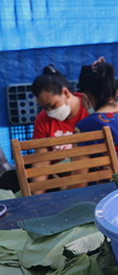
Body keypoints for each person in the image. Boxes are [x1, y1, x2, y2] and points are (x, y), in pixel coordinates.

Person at [29, 65, 92, 194]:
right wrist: (34, 200)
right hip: (58, 183)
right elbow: (41, 163)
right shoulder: (42, 120)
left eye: (52, 105)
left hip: (91, 179)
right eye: (44, 108)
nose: (50, 112)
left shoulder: (90, 108)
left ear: (65, 93)